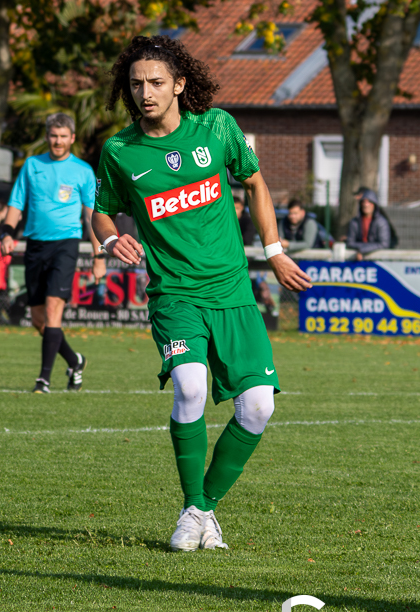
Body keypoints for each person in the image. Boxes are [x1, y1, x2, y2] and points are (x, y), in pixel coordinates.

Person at [91, 35, 311, 553]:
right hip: (175, 295)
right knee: (189, 387)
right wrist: (108, 237)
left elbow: (255, 184)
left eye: (156, 83)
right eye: (136, 83)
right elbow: (101, 209)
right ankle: (194, 514)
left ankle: (200, 508)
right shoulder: (121, 150)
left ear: (180, 84)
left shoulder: (217, 127)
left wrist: (275, 251)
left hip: (233, 292)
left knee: (258, 407)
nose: (145, 92)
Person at [0, 112, 99, 393]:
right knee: (39, 320)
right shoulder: (32, 165)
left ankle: (43, 380)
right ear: (47, 137)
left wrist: (98, 256)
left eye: (63, 136)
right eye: (53, 136)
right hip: (35, 246)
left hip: (66, 245)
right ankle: (75, 360)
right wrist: (7, 232)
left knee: (54, 312)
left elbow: (92, 216)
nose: (58, 141)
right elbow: (17, 202)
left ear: (72, 138)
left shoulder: (83, 171)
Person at [346, 188, 391, 261]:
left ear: (374, 204)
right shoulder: (354, 222)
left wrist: (363, 250)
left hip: (377, 261)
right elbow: (350, 242)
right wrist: (365, 248)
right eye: (363, 202)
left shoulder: (381, 222)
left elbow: (384, 244)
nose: (366, 205)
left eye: (369, 202)